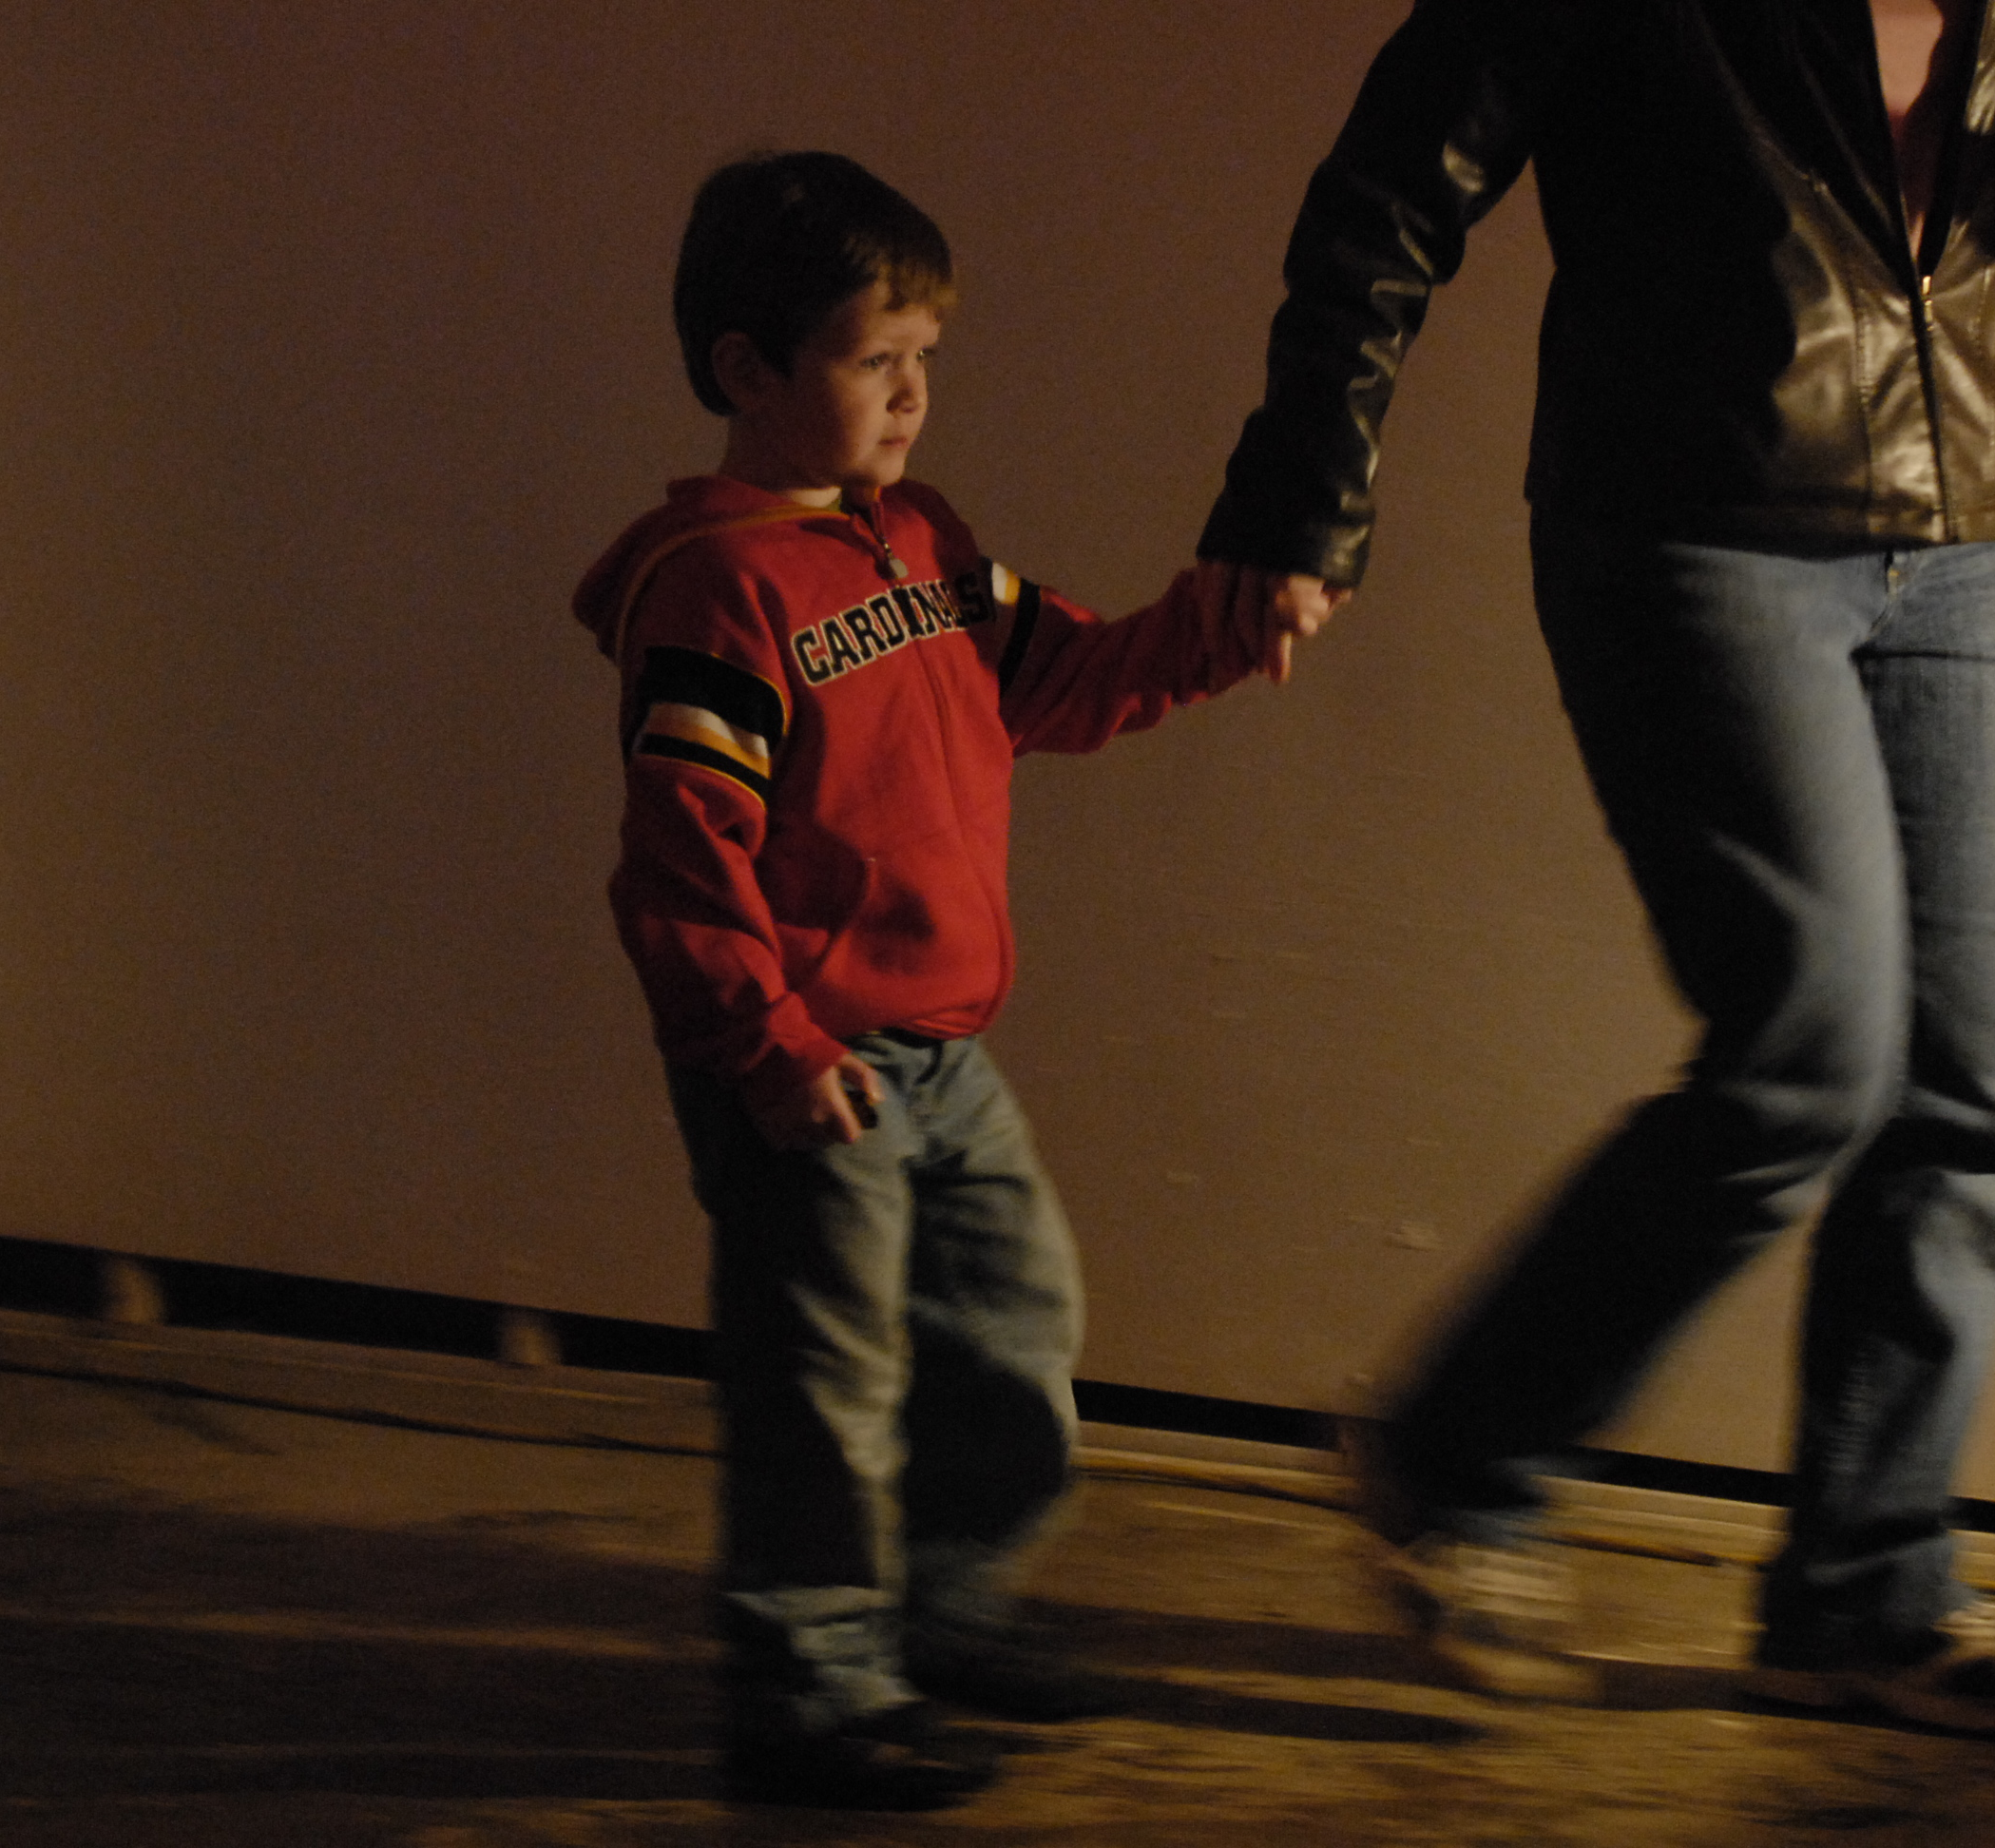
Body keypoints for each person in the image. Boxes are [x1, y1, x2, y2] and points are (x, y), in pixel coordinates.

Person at [1199, 0, 1995, 1735]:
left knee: (1959, 1089)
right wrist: (1303, 490)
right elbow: (1389, 193)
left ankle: (1865, 1599)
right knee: (1810, 1050)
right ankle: (1459, 1458)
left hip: (1965, 546)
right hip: (1695, 525)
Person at [574, 151, 1269, 1809]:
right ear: (748, 370)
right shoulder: (719, 594)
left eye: (926, 358)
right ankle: (808, 1694)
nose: (911, 395)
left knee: (1014, 1319)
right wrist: (767, 1045)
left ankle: (942, 1611)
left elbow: (1065, 677)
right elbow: (679, 859)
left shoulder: (921, 543)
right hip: (805, 1062)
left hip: (944, 1050)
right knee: (823, 1379)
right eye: (874, 359)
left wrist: (1221, 626)